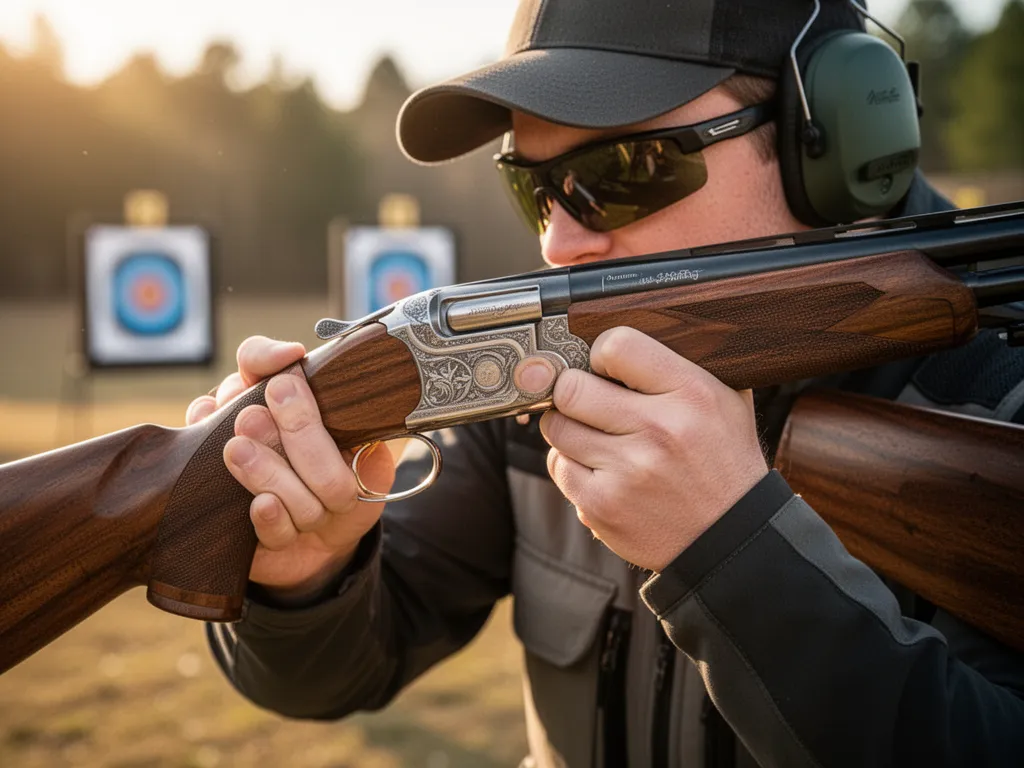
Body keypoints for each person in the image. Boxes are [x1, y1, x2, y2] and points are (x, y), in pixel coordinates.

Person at [189, 1, 1024, 765]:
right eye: (534, 188)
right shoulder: (538, 370)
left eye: (626, 170)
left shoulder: (1000, 402)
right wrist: (307, 577)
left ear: (832, 139)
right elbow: (336, 674)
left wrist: (732, 551)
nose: (559, 244)